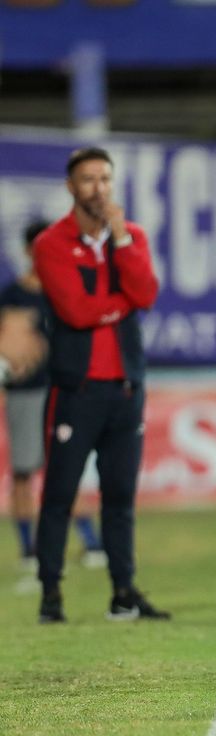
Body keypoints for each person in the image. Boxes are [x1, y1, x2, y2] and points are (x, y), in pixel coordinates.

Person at [32, 146, 170, 623]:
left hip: (126, 389)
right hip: (78, 390)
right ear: (71, 187)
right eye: (88, 179)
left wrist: (122, 245)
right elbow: (75, 311)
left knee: (120, 497)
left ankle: (124, 592)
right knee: (60, 494)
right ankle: (51, 595)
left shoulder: (129, 237)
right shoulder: (51, 243)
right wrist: (121, 303)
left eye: (105, 179)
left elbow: (146, 294)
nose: (99, 188)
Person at [2, 219, 104, 571]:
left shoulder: (65, 290)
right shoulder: (12, 296)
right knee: (24, 470)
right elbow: (6, 349)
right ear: (30, 250)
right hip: (25, 393)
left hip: (64, 390)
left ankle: (90, 541)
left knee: (68, 467)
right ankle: (29, 548)